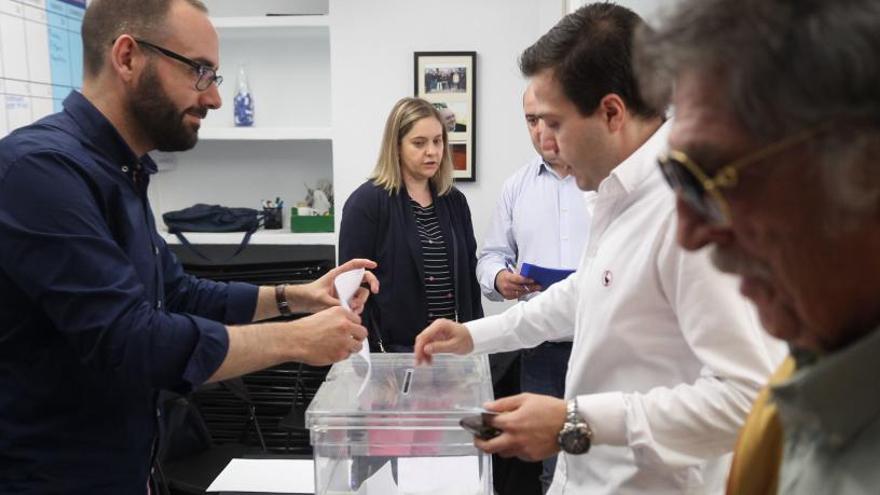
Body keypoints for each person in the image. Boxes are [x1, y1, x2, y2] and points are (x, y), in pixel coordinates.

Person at [0, 0, 378, 492]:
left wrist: (293, 296)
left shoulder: (121, 172)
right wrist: (299, 340)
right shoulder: (41, 171)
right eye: (200, 72)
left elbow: (177, 294)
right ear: (128, 57)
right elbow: (132, 340)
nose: (215, 98)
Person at [414, 4, 785, 494]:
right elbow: (586, 292)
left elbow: (749, 399)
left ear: (611, 112)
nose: (545, 142)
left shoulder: (688, 209)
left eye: (554, 123)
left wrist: (576, 420)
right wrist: (473, 336)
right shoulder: (618, 193)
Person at [635, 0, 880, 493]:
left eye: (714, 177)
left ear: (867, 164)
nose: (690, 232)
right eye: (676, 176)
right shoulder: (802, 384)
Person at [476, 81, 590, 493]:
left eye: (548, 118)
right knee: (548, 469)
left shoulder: (600, 183)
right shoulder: (516, 187)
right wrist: (498, 278)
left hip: (595, 344)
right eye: (530, 120)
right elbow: (489, 256)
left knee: (596, 462)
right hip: (539, 350)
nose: (541, 131)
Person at [339, 97, 482, 352]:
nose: (432, 151)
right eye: (419, 143)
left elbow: (470, 283)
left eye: (438, 141)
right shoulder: (367, 203)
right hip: (394, 357)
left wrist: (476, 345)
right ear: (396, 146)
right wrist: (371, 361)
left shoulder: (455, 202)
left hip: (452, 353)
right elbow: (351, 294)